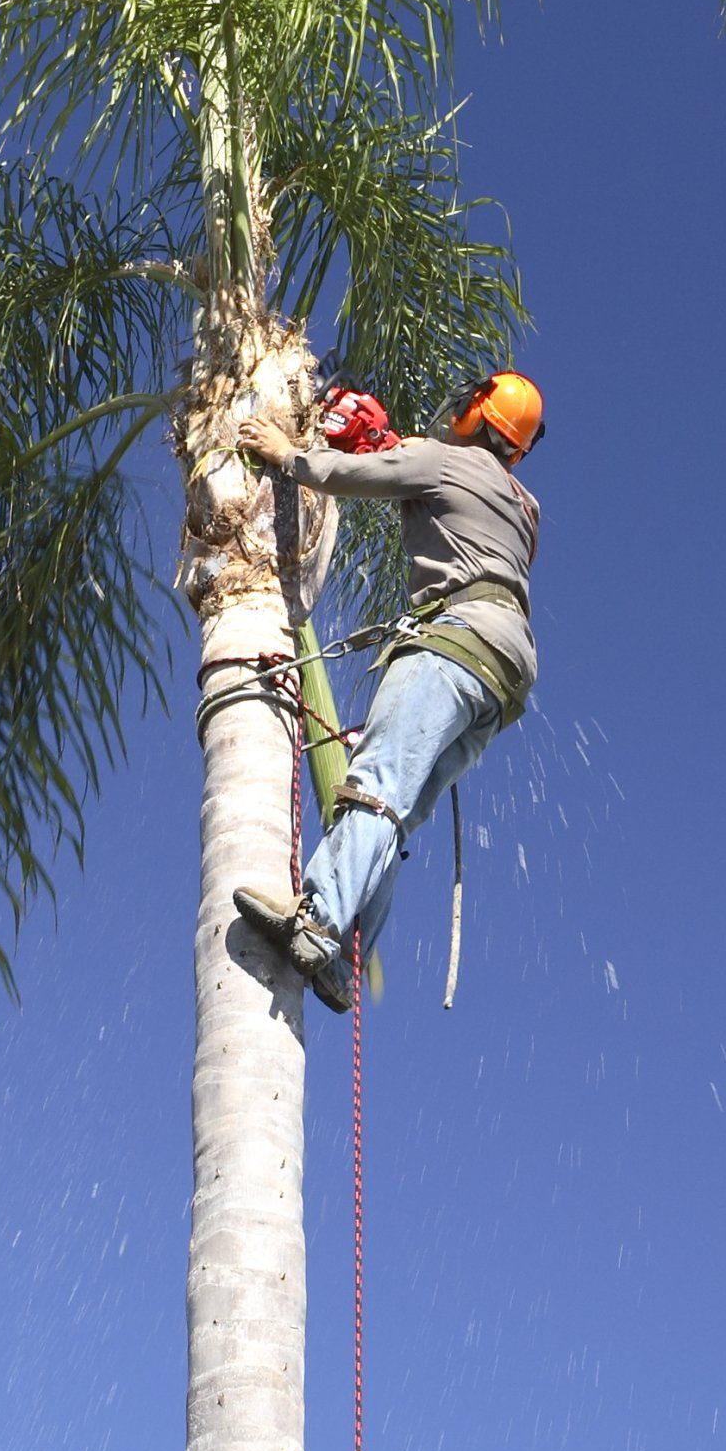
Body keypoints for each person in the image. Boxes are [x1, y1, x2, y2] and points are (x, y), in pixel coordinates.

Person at [233, 371, 544, 1012]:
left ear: (476, 414)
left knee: (374, 785)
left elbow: (349, 475)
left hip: (452, 643)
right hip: (505, 675)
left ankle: (318, 919)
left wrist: (286, 453)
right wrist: (387, 443)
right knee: (396, 812)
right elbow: (448, 503)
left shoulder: (443, 461)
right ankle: (347, 960)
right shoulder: (522, 506)